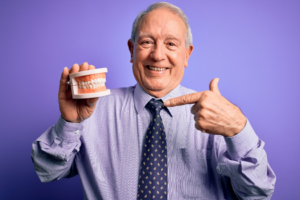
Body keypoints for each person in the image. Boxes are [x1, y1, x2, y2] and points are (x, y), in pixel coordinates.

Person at [31, 2, 276, 200]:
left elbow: (258, 192)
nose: (158, 55)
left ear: (187, 54)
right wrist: (69, 123)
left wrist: (238, 130)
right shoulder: (92, 109)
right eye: (147, 42)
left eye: (171, 44)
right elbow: (48, 171)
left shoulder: (217, 116)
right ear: (131, 50)